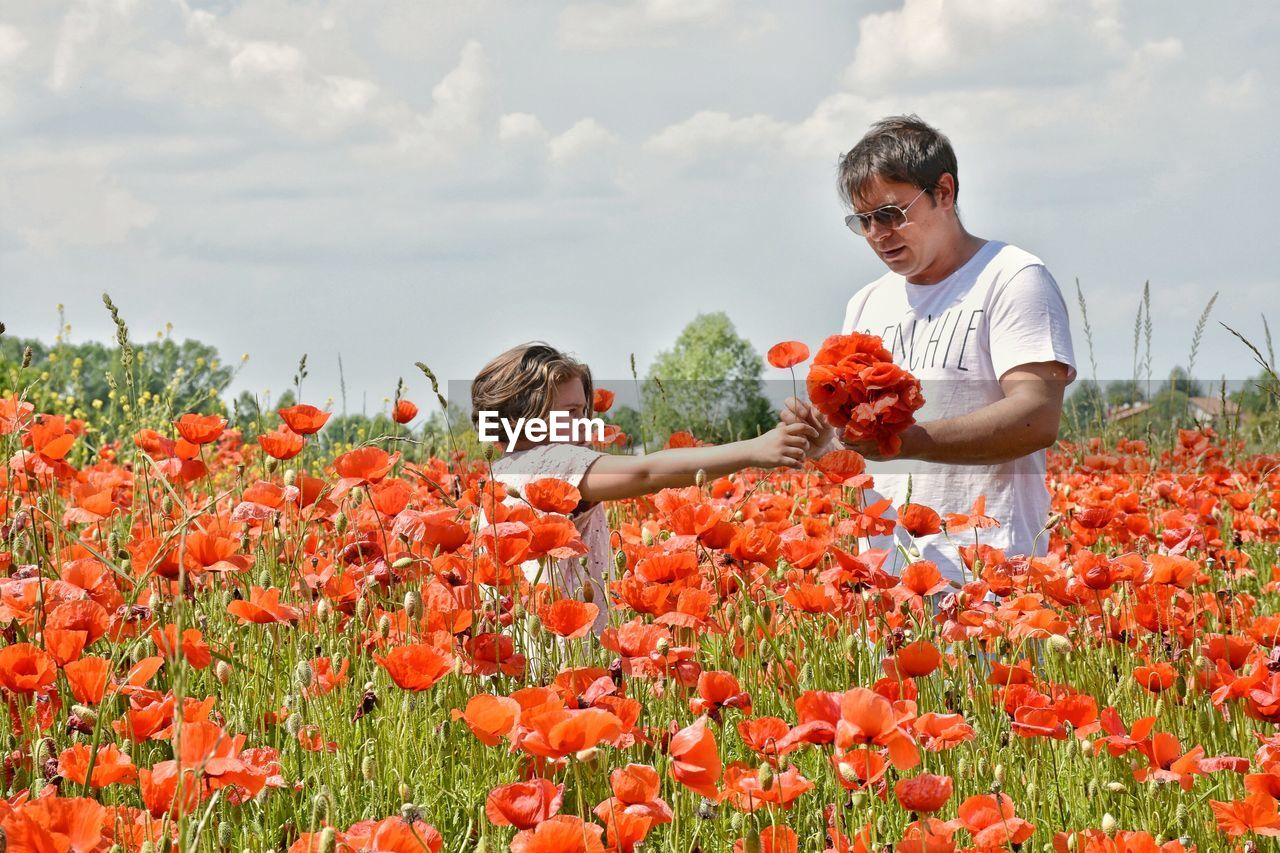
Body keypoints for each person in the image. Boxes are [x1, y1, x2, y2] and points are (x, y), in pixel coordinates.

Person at [783, 115, 1076, 587]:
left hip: (987, 574)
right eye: (863, 221)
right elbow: (865, 454)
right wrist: (825, 444)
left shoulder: (1013, 278)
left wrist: (909, 441)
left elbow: (1036, 416)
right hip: (887, 578)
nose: (878, 233)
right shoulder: (866, 303)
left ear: (944, 192)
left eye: (891, 214)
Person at [472, 342, 816, 634]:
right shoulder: (555, 464)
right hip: (565, 651)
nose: (585, 421)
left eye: (584, 410)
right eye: (571, 411)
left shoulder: (500, 473)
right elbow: (646, 472)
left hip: (516, 644)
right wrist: (754, 450)